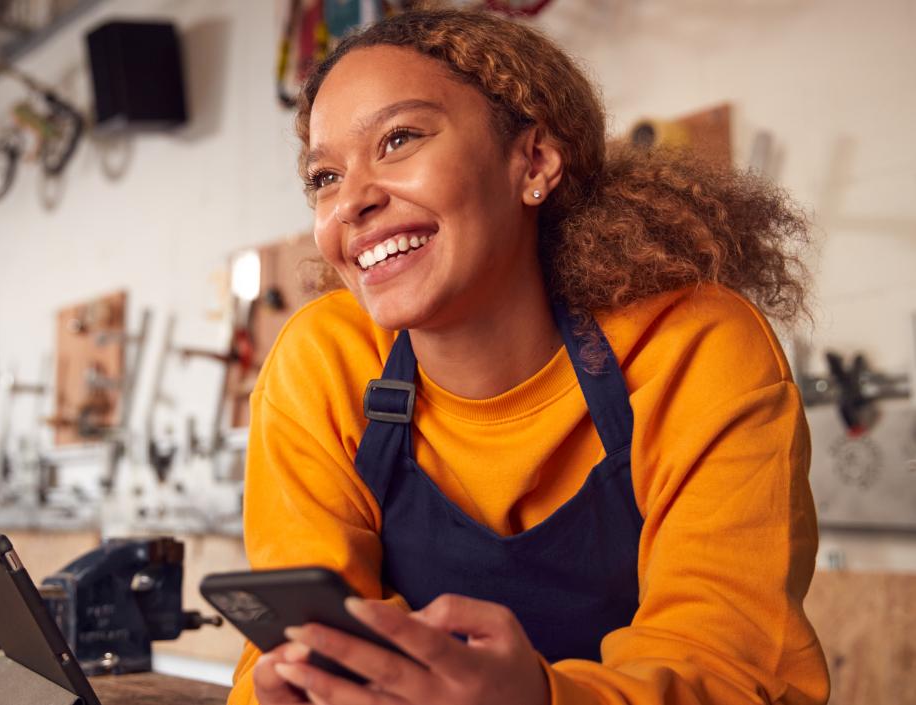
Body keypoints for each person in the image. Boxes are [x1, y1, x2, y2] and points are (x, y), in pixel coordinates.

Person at [228, 7, 828, 705]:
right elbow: (283, 651)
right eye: (324, 177)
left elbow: (731, 668)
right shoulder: (321, 362)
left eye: (398, 138)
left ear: (534, 161)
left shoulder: (692, 345)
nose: (352, 202)